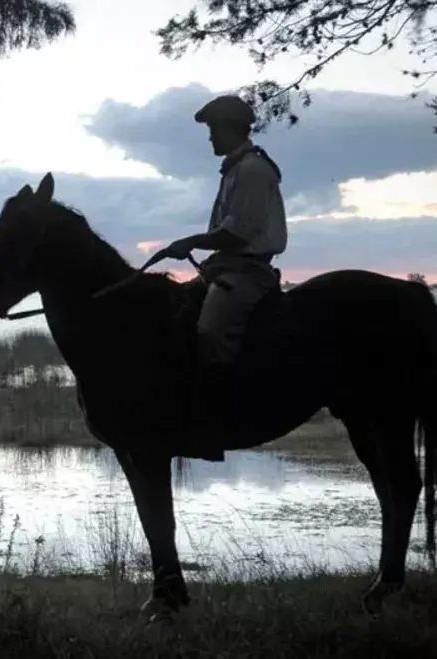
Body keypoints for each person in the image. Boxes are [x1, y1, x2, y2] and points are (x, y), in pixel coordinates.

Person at [151, 94, 287, 460]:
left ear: (231, 129)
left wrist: (192, 241)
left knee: (211, 330)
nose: (210, 138)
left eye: (213, 130)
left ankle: (216, 421)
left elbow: (238, 232)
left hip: (248, 270)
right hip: (226, 266)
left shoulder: (253, 170)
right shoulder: (235, 168)